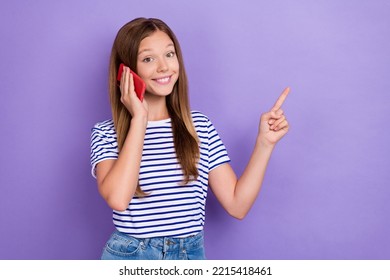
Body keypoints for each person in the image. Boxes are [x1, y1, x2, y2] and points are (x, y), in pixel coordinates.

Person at [90, 17, 290, 260]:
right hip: (132, 256)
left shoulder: (199, 127)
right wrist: (139, 119)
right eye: (148, 59)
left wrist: (264, 144)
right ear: (126, 72)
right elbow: (119, 199)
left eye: (169, 54)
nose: (164, 67)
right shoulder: (105, 133)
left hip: (188, 255)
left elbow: (237, 206)